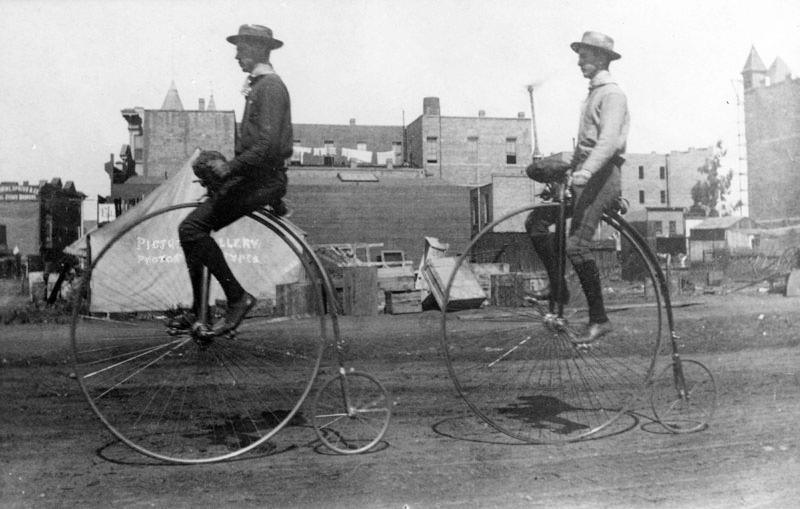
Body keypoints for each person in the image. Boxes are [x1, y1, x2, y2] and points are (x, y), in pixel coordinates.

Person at [172, 24, 293, 336]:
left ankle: (237, 298)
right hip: (257, 180)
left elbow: (267, 147)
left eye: (241, 49)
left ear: (257, 49)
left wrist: (230, 169)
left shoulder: (270, 88)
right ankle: (201, 310)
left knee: (191, 228)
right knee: (191, 230)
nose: (237, 56)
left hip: (260, 181)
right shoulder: (259, 87)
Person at [525, 31, 629, 344]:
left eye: (584, 56)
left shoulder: (612, 95)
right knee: (537, 222)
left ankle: (599, 319)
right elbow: (585, 147)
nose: (579, 62)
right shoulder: (592, 95)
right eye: (580, 55)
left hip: (602, 178)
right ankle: (559, 288)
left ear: (601, 58)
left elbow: (608, 142)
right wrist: (553, 163)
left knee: (577, 245)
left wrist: (584, 171)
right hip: (586, 176)